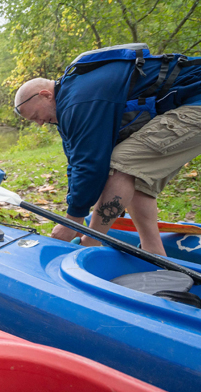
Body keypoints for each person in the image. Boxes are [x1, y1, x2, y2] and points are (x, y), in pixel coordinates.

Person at [14, 46, 201, 256]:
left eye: (36, 116)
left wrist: (73, 221)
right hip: (186, 105)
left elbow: (92, 165)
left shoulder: (80, 99)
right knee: (135, 178)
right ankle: (154, 254)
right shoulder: (72, 96)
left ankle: (91, 242)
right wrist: (72, 208)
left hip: (195, 102)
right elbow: (76, 163)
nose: (39, 123)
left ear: (45, 95)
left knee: (121, 164)